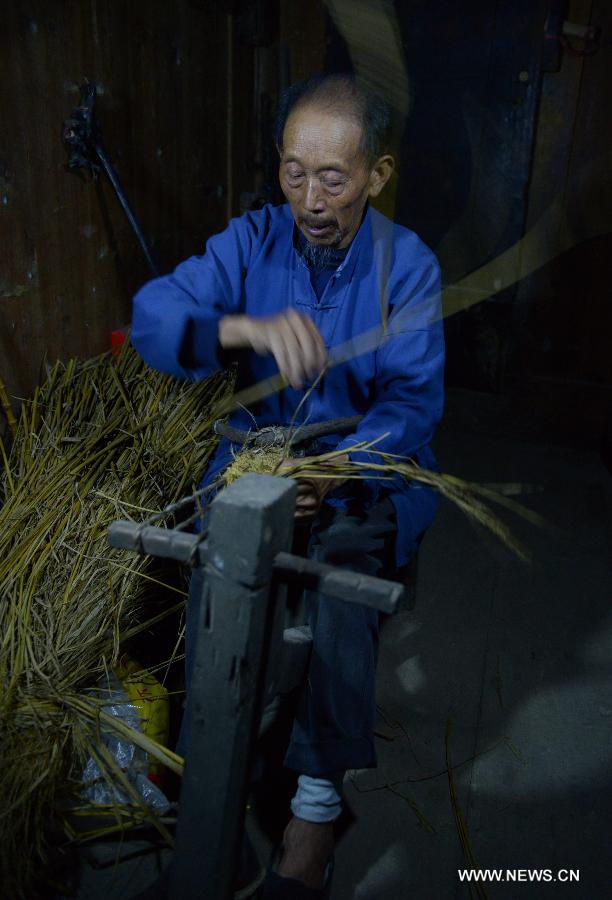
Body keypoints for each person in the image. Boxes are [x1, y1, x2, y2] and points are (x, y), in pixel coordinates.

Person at [132, 73, 444, 897]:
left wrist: (336, 469)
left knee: (341, 577)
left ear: (376, 175)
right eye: (293, 172)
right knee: (217, 568)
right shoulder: (253, 241)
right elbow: (154, 318)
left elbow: (413, 405)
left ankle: (310, 817)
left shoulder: (405, 266)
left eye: (334, 178)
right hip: (253, 455)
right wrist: (239, 325)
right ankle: (214, 793)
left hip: (362, 466)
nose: (309, 198)